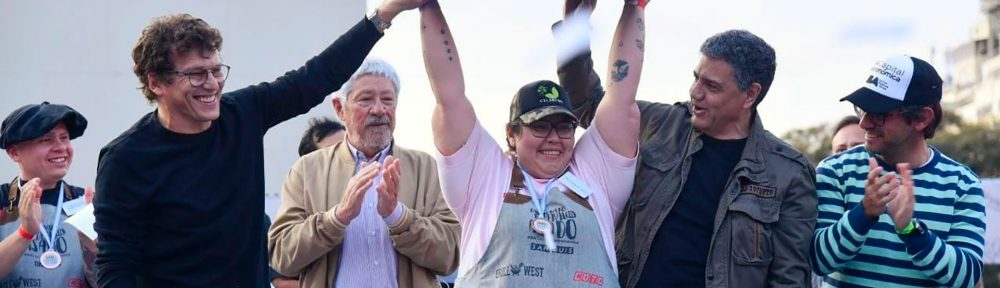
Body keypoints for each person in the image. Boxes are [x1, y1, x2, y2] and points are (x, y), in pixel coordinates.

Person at [92, 1, 425, 286]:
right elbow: (116, 266)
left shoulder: (242, 114)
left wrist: (385, 13)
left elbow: (314, 77)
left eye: (215, 70)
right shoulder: (126, 160)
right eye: (196, 74)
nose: (211, 84)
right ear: (156, 82)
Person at [557, 4, 817, 287]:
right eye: (696, 78)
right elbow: (588, 104)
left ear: (750, 94)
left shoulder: (789, 174)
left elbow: (788, 279)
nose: (696, 92)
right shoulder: (660, 124)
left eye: (712, 86)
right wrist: (574, 24)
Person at [420, 0, 645, 286]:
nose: (554, 138)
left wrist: (635, 7)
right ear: (511, 134)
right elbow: (448, 95)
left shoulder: (596, 176)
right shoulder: (484, 176)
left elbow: (621, 97)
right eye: (539, 126)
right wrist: (427, 7)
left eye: (564, 127)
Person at [268, 58, 460, 287]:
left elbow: (450, 257)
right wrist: (337, 218)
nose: (380, 109)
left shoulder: (426, 168)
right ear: (340, 109)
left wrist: (398, 217)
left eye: (388, 100)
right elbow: (281, 257)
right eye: (366, 100)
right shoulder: (306, 171)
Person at [811, 55, 985, 287]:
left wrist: (911, 230)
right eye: (862, 110)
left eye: (878, 114)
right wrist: (864, 213)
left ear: (922, 118)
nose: (863, 123)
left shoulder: (963, 185)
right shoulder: (835, 170)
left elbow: (967, 277)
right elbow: (817, 261)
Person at [0, 102, 96, 287]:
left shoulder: (85, 204)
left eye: (64, 138)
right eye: (46, 140)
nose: (61, 147)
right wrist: (25, 233)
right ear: (14, 153)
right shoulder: (3, 200)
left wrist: (90, 240)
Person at [268, 117, 347, 288]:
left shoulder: (378, 199)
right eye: (331, 153)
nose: (343, 159)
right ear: (309, 163)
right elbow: (280, 279)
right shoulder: (296, 211)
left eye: (347, 150)